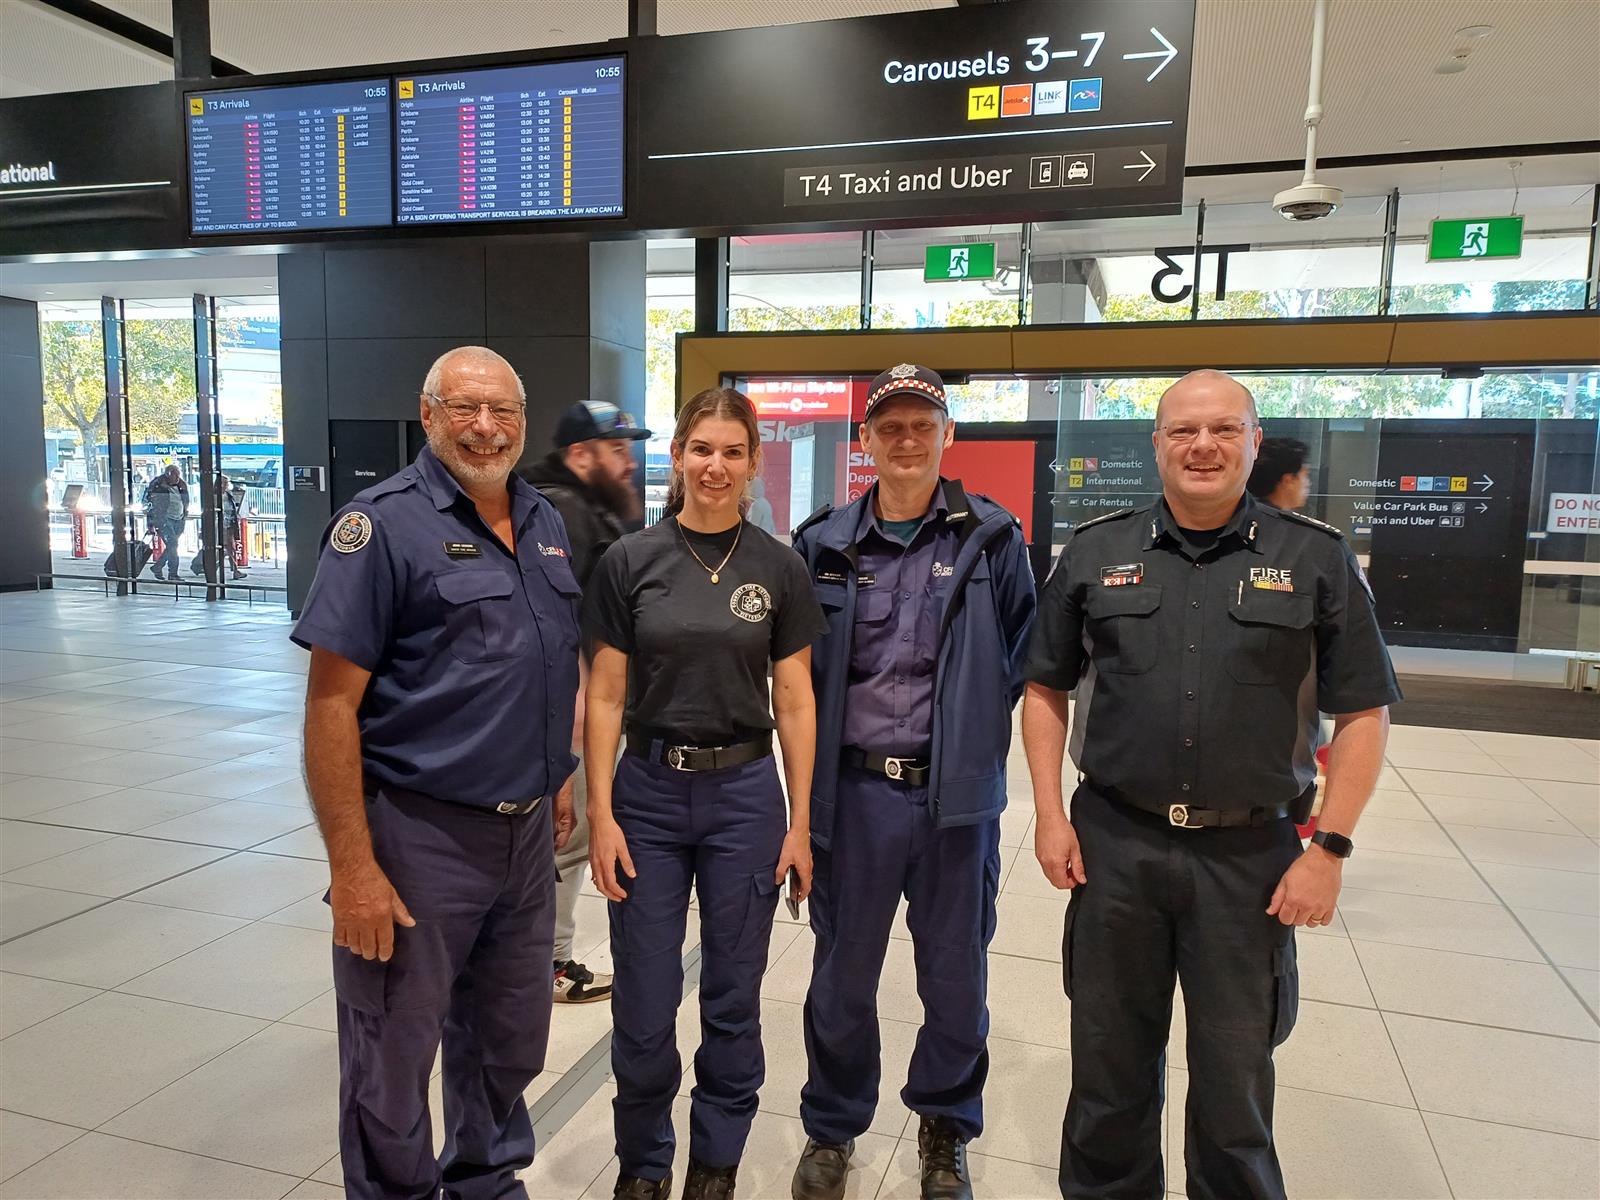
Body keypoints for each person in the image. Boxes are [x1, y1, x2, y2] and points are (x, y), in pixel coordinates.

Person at [1020, 370, 1400, 1200]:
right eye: (1184, 431)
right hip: (1116, 847)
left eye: (1225, 430)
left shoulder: (1315, 556)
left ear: (1253, 442)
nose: (1203, 446)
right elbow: (1045, 688)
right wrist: (1049, 814)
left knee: (1235, 1088)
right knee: (1108, 1079)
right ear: (1156, 444)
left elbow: (1364, 712)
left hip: (1251, 861)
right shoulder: (1096, 550)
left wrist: (1328, 847)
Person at [291, 345, 582, 1200]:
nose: (485, 428)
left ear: (524, 424)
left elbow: (548, 664)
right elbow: (330, 709)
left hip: (525, 839)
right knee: (392, 1049)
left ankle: (487, 1180)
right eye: (465, 408)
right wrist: (352, 868)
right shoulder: (379, 526)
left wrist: (556, 777)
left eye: (503, 412)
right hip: (419, 838)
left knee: (509, 1036)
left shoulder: (546, 522)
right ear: (429, 416)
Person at [789, 364, 1037, 1200]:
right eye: (888, 425)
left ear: (947, 437)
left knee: (956, 979)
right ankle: (832, 1127)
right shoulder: (820, 543)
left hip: (954, 805)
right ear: (865, 440)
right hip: (852, 801)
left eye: (921, 425)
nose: (905, 439)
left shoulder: (992, 539)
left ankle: (944, 1129)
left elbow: (1023, 665)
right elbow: (792, 680)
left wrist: (971, 744)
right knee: (842, 977)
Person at [583, 387, 826, 1200]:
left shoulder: (778, 566)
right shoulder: (631, 561)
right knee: (645, 1002)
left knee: (732, 995)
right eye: (700, 450)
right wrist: (601, 813)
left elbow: (794, 700)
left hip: (746, 799)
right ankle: (644, 1163)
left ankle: (715, 1163)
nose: (714, 466)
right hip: (648, 794)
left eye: (731, 451)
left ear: (753, 461)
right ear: (678, 457)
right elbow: (607, 696)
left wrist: (800, 825)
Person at [520, 398, 652, 1005]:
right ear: (580, 454)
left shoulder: (563, 504)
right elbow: (557, 617)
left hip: (569, 705)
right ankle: (546, 961)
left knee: (559, 836)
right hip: (568, 709)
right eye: (616, 450)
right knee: (565, 838)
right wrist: (573, 702)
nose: (628, 464)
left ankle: (533, 957)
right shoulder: (564, 510)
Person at [189, 472, 249, 580]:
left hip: (228, 523)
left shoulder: (228, 494)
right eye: (224, 483)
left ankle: (234, 570)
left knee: (231, 548)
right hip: (217, 525)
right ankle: (206, 567)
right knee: (217, 548)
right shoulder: (212, 496)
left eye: (227, 483)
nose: (226, 485)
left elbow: (232, 508)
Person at [143, 464, 188, 581]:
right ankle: (173, 573)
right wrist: (151, 523)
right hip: (164, 520)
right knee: (173, 545)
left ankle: (158, 567)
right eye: (175, 475)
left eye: (178, 475)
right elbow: (150, 505)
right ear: (168, 474)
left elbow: (185, 500)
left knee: (172, 545)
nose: (177, 477)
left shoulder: (181, 485)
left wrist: (184, 515)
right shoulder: (157, 485)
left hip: (178, 518)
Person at [1246, 437, 1311, 510]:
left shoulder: (1248, 512)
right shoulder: (1273, 520)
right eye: (1305, 475)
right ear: (1288, 480)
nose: (1308, 483)